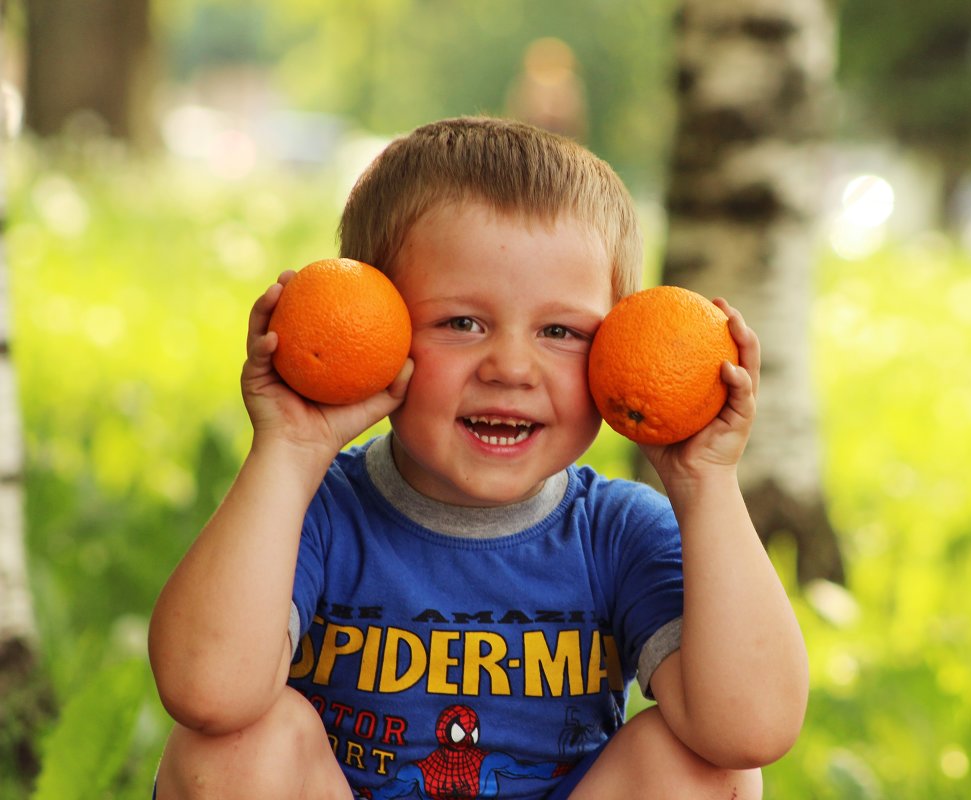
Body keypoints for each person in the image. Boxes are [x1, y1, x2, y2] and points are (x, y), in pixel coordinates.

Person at [148, 116, 807, 799]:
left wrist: (707, 486)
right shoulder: (313, 512)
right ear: (377, 327)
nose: (512, 367)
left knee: (706, 770)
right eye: (462, 323)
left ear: (619, 344)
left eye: (561, 331)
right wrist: (287, 453)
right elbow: (206, 692)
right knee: (230, 748)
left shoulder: (616, 534)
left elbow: (750, 730)